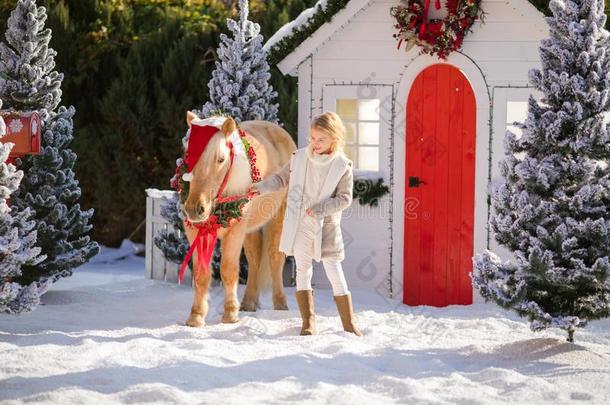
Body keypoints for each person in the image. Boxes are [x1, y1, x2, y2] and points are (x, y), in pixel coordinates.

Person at [249, 111, 362, 336]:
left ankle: (349, 323)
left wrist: (320, 209)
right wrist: (260, 187)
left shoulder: (342, 165)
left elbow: (344, 199)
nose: (315, 143)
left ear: (335, 139)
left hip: (326, 226)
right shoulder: (299, 158)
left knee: (333, 269)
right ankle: (308, 321)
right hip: (301, 223)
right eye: (312, 138)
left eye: (321, 139)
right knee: (303, 269)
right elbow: (281, 179)